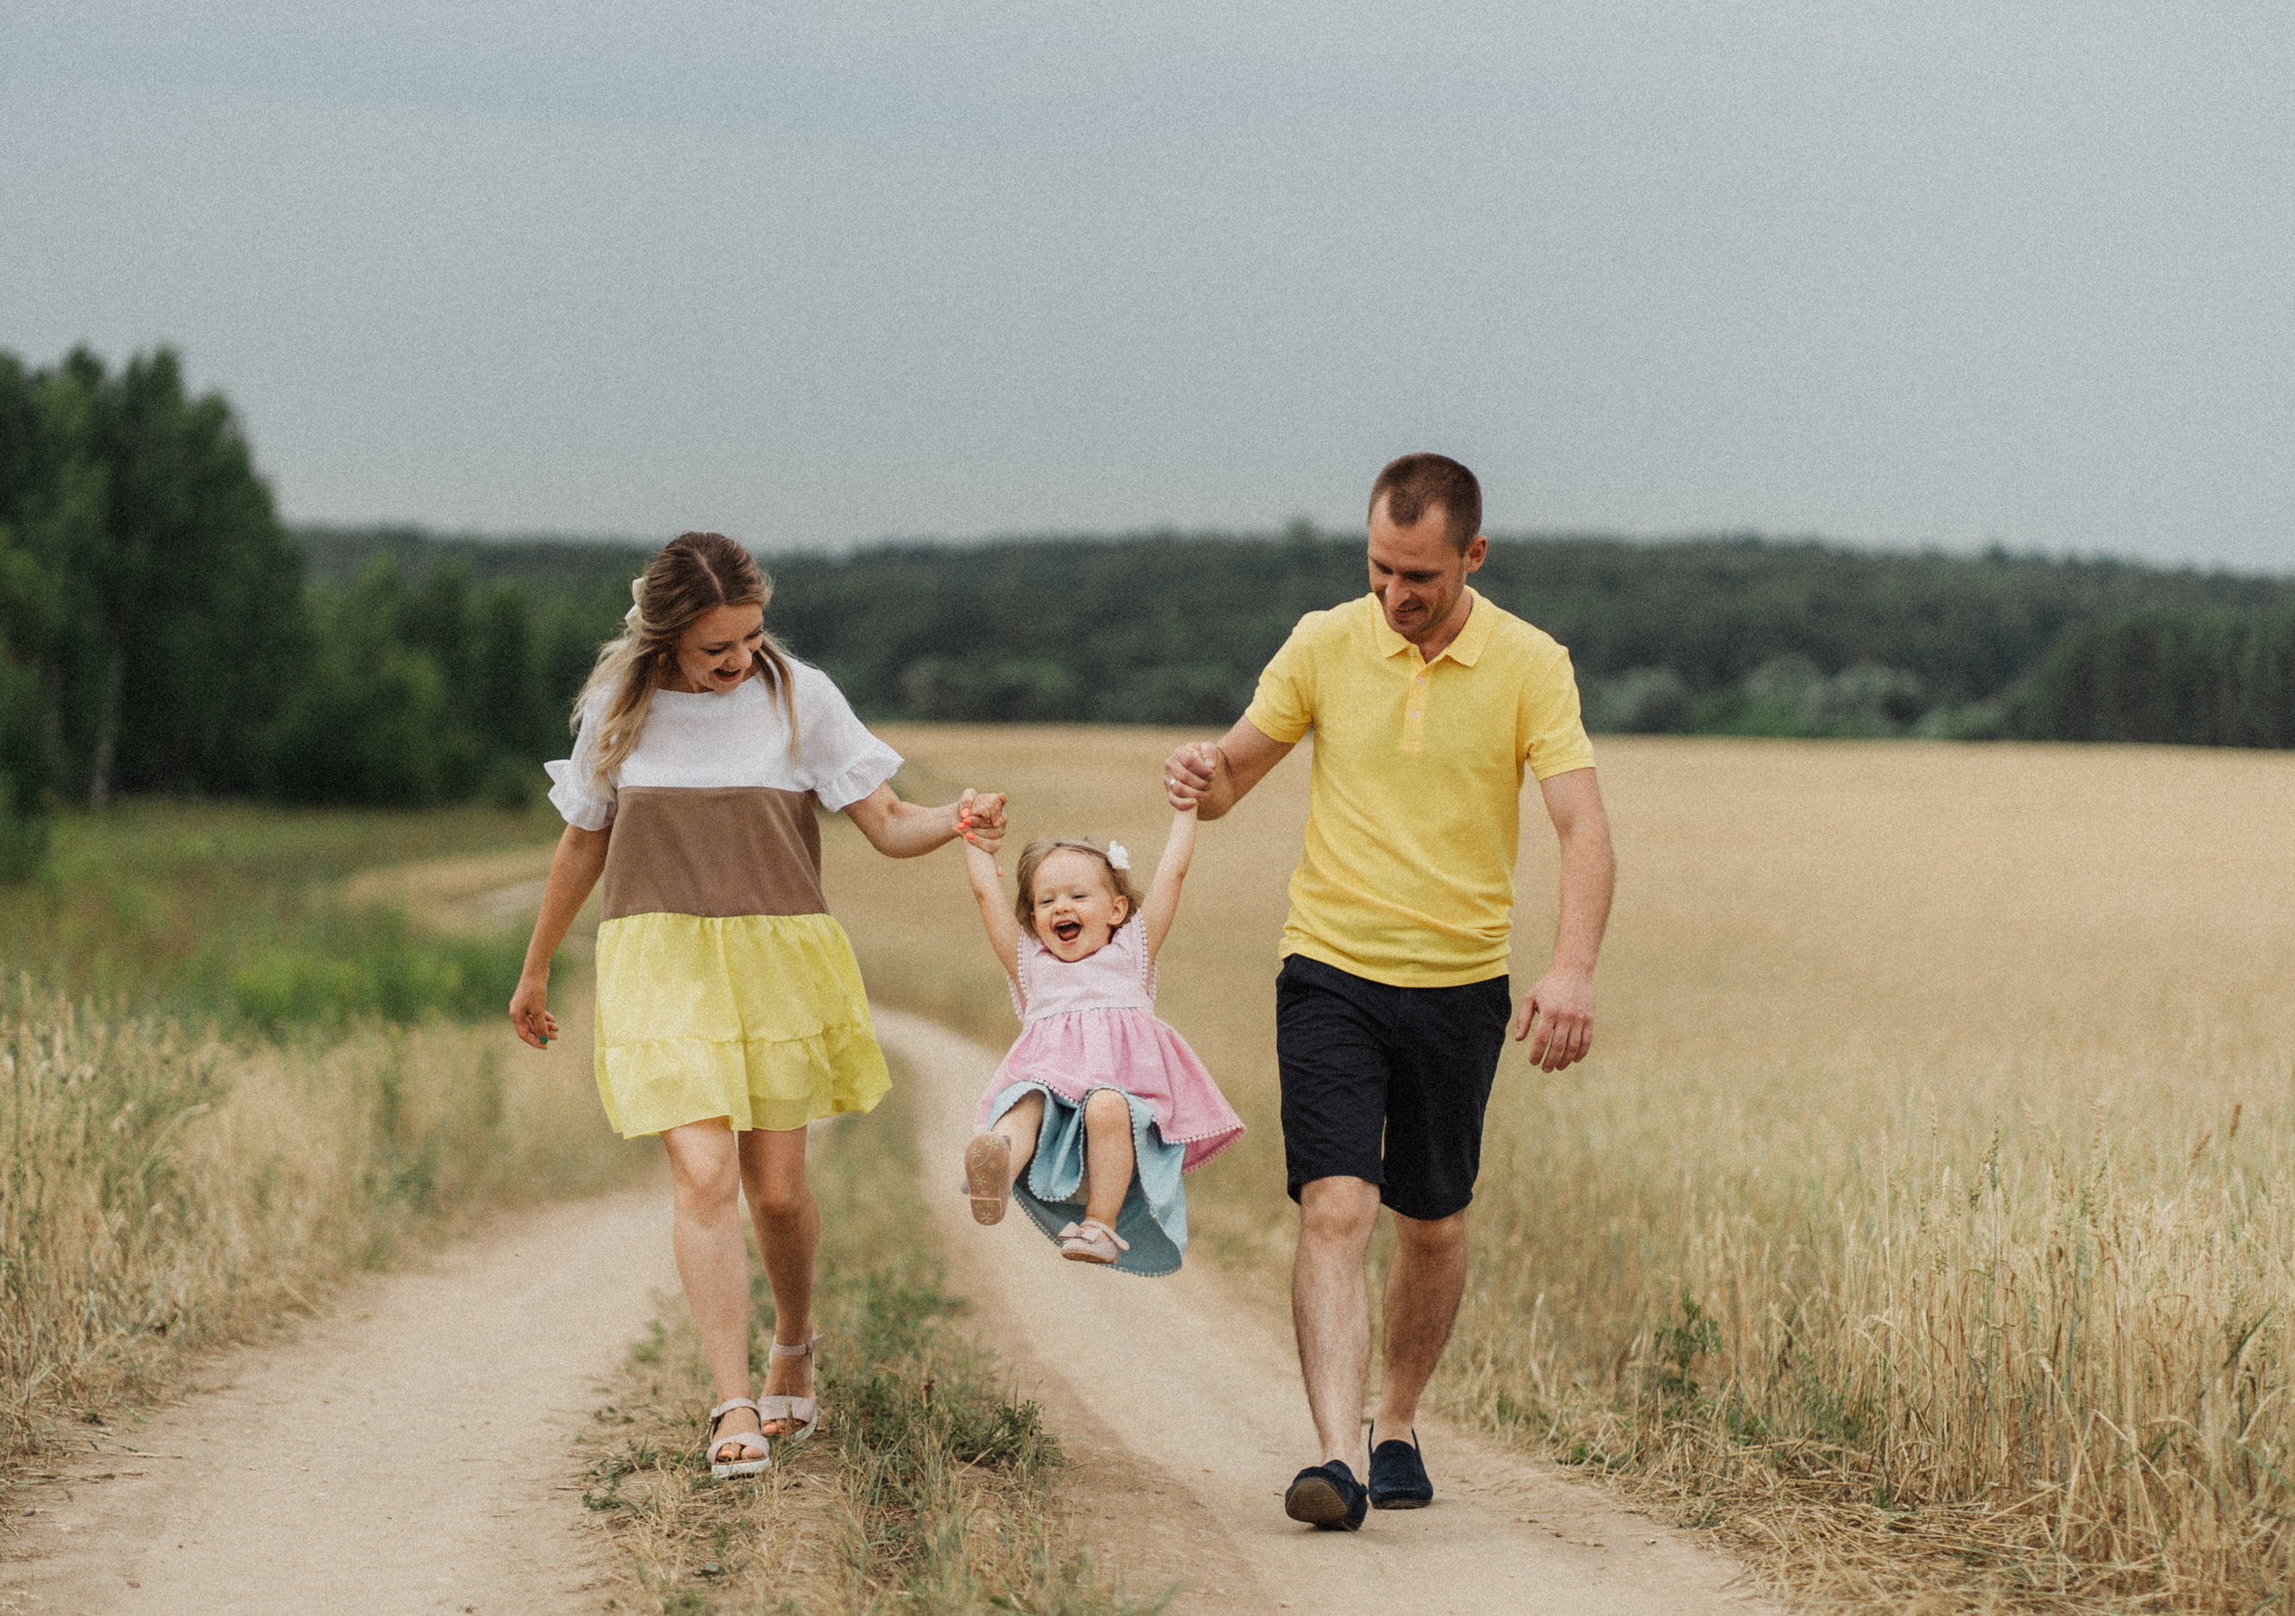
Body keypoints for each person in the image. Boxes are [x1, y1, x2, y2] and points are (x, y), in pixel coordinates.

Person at [1163, 454, 1615, 1531]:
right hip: (1329, 969)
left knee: (1433, 1223)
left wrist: (1573, 967)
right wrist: (1199, 774)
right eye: (1379, 569)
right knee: (1337, 1205)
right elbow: (1232, 775)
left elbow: (1580, 824)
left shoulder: (1529, 663)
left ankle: (1397, 1420)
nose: (1395, 597)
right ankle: (1332, 1458)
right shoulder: (1324, 641)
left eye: (1419, 576)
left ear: (1472, 555)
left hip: (1459, 983)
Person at [507, 531, 1006, 1480]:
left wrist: (958, 818)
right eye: (716, 648)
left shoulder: (799, 695)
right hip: (659, 959)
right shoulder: (621, 708)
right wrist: (534, 971)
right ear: (665, 640)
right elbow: (582, 844)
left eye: (751, 635)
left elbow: (890, 823)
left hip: (778, 961)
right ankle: (731, 1400)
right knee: (702, 1179)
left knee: (775, 1191)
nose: (741, 660)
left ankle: (796, 1337)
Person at [957, 802, 1244, 1275]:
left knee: (1105, 1104)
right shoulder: (1032, 968)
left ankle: (1099, 1227)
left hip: (1119, 1097)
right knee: (1024, 1102)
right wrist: (973, 838)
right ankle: (996, 1172)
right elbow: (987, 896)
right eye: (1046, 902)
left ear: (1117, 910)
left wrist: (1185, 811)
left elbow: (1171, 874)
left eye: (1076, 896)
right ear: (1033, 918)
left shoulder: (1133, 951)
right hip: (1051, 1093)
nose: (1061, 907)